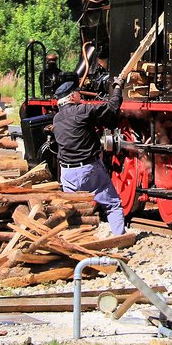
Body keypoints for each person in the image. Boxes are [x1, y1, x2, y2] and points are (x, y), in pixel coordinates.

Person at [51, 74, 127, 236]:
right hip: (89, 169)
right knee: (112, 205)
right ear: (72, 96)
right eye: (78, 92)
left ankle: (75, 241)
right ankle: (120, 239)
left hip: (67, 173)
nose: (80, 94)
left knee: (72, 211)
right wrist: (118, 87)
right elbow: (112, 108)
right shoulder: (83, 111)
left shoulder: (57, 119)